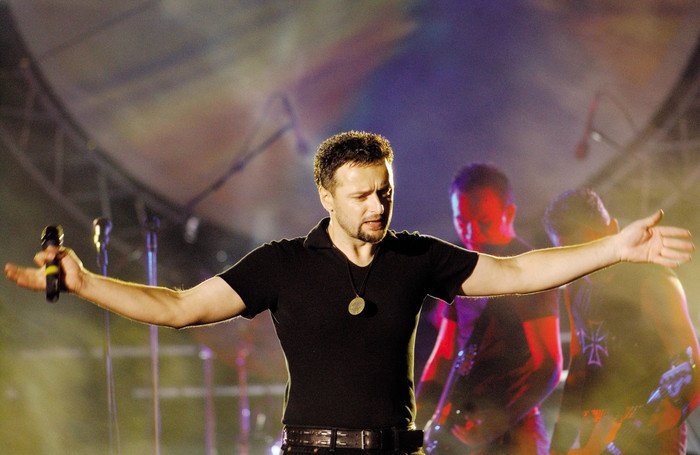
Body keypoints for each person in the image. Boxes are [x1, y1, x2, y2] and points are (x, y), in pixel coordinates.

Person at [4, 131, 694, 455]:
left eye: (384, 191)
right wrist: (85, 281)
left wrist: (614, 249)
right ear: (327, 197)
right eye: (361, 194)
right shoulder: (281, 265)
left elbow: (515, 274)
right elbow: (181, 308)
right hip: (312, 451)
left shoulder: (415, 257)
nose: (377, 205)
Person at [416, 163, 561, 454]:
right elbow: (444, 353)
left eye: (483, 221)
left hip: (514, 432)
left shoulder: (530, 269)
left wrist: (497, 422)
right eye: (461, 221)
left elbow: (549, 366)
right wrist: (414, 420)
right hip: (462, 426)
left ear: (509, 213)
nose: (471, 233)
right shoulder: (461, 268)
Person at [543, 188, 700, 454]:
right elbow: (579, 365)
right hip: (594, 430)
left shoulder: (652, 281)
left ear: (612, 230)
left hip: (649, 435)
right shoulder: (575, 288)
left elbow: (692, 370)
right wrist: (560, 443)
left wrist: (636, 432)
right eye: (569, 251)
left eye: (586, 246)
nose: (582, 261)